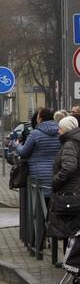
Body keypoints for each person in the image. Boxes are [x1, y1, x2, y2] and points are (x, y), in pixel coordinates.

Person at [52, 116, 80, 273]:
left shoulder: (70, 143)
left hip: (70, 192)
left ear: (67, 129)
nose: (58, 130)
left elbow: (69, 167)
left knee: (69, 228)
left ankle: (69, 262)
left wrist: (56, 181)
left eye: (60, 128)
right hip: (76, 190)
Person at [15, 107, 61, 199]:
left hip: (38, 176)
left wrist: (17, 145)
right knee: (52, 204)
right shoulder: (60, 132)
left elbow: (24, 153)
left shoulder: (35, 134)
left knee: (39, 206)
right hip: (56, 174)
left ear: (40, 118)